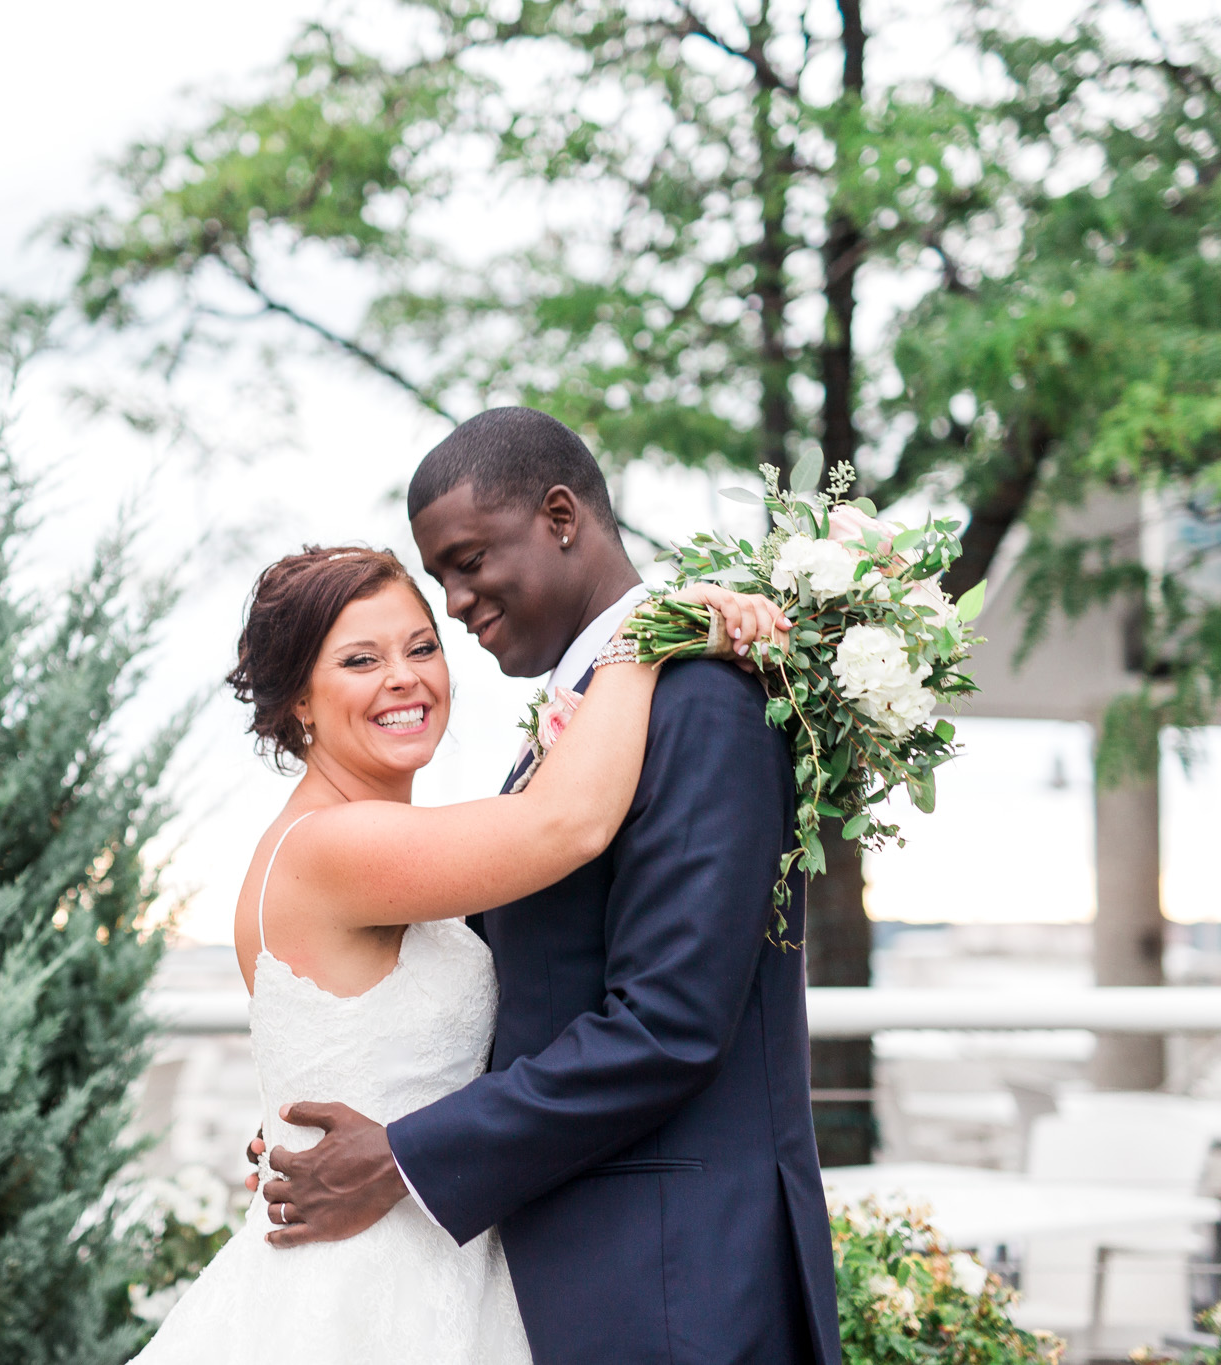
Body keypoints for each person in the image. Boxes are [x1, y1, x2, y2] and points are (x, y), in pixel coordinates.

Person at [254, 408, 845, 1365]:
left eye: (466, 561)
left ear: (561, 516)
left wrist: (403, 1153)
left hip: (673, 1281)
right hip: (553, 1276)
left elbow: (667, 1023)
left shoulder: (704, 701)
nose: (454, 602)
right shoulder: (600, 719)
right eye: (361, 656)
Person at [130, 539, 782, 1365]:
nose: (404, 677)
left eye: (422, 646)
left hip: (437, 1254)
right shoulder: (333, 845)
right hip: (365, 1289)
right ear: (300, 697)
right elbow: (565, 824)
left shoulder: (384, 847)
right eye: (360, 659)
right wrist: (648, 632)